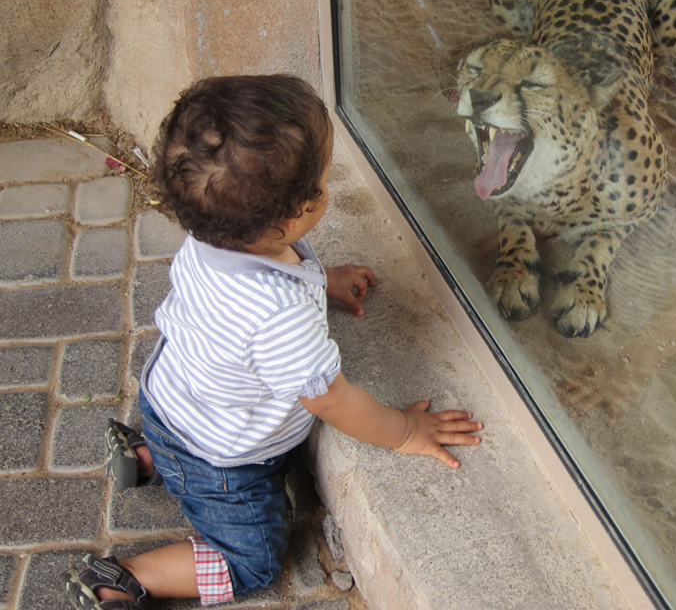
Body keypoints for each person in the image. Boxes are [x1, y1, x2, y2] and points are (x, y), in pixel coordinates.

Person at [61, 75, 483, 609]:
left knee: (183, 445)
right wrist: (402, 431)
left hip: (171, 400)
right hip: (220, 460)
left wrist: (320, 278)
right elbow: (330, 398)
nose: (328, 186)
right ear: (290, 217)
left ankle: (148, 454)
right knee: (254, 561)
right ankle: (121, 578)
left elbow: (258, 285)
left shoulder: (212, 232)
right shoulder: (279, 316)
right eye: (325, 183)